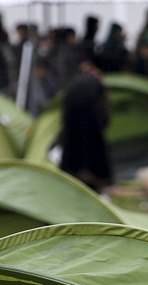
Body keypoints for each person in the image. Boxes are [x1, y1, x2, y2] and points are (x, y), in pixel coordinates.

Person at [58, 59, 112, 191]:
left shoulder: (75, 82)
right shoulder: (98, 82)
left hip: (70, 108)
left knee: (73, 140)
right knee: (93, 141)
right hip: (89, 106)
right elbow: (104, 113)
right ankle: (98, 179)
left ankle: (71, 174)